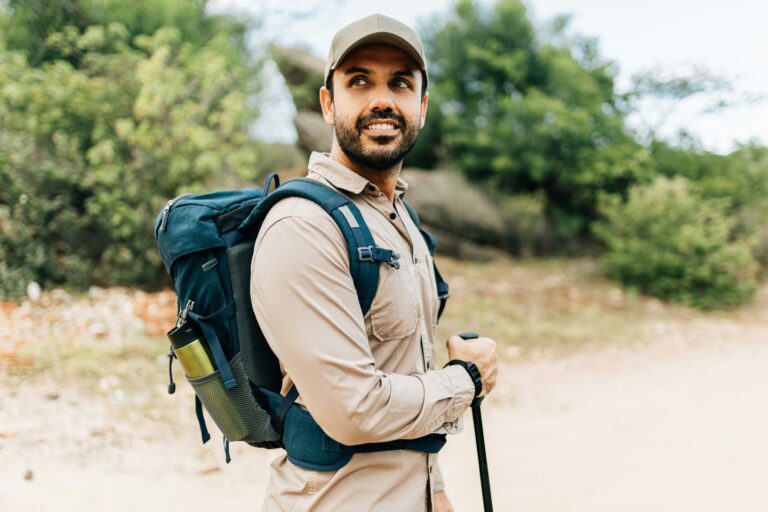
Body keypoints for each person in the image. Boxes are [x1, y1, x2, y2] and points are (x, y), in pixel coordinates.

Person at [250, 13, 499, 512]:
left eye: (400, 83)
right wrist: (467, 379)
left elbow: (408, 368)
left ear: (421, 107)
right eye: (359, 81)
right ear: (328, 103)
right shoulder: (302, 225)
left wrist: (438, 494)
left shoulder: (399, 218)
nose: (382, 99)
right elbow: (354, 410)